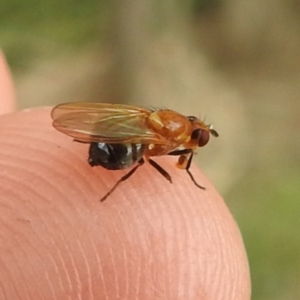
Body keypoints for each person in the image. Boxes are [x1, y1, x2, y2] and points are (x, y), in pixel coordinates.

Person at [0, 52, 250, 299]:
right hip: (113, 151)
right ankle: (115, 180)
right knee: (140, 160)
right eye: (197, 135)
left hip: (118, 136)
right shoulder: (172, 138)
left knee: (141, 155)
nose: (196, 140)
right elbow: (151, 153)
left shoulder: (164, 124)